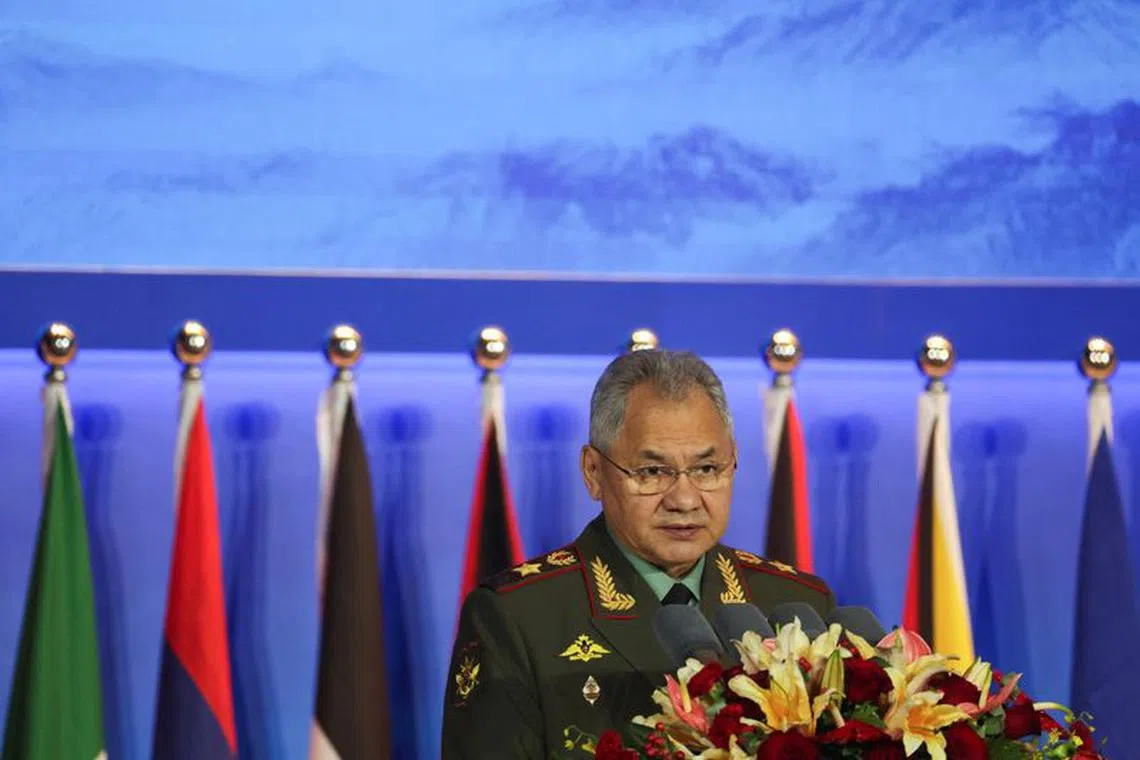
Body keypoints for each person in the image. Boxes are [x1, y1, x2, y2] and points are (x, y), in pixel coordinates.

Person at [441, 350, 835, 759]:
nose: (684, 499)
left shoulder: (795, 605)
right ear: (594, 472)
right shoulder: (516, 618)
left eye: (706, 470)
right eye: (652, 472)